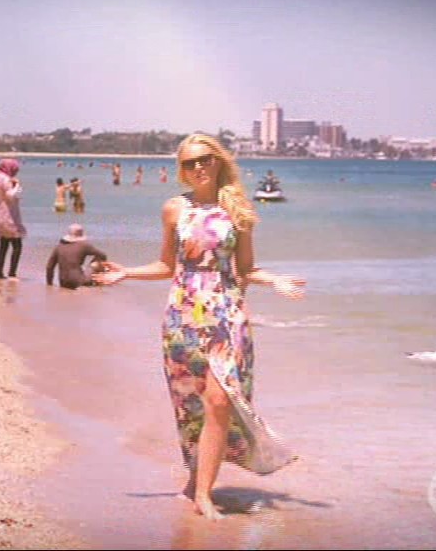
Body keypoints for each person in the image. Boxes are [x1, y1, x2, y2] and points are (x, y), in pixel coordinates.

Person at [93, 133, 305, 521]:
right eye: (189, 163)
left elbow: (247, 268)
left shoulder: (237, 209)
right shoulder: (174, 209)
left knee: (221, 401)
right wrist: (127, 273)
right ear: (182, 171)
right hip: (184, 315)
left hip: (226, 313)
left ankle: (203, 494)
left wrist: (275, 280)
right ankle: (196, 480)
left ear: (218, 160)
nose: (198, 168)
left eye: (205, 159)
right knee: (192, 404)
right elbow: (166, 266)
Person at [46, 224, 107, 290]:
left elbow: (49, 267)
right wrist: (94, 265)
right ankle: (99, 277)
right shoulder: (84, 245)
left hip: (64, 283)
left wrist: (49, 284)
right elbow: (103, 255)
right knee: (97, 259)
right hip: (80, 282)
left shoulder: (58, 247)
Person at [0, 158, 26, 279]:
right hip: (9, 213)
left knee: (4, 244)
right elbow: (11, 195)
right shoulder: (6, 179)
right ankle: (12, 273)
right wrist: (17, 185)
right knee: (17, 244)